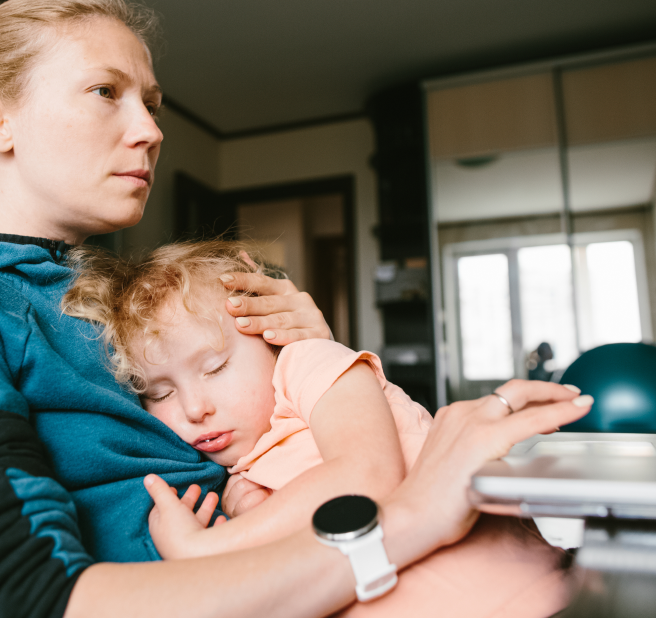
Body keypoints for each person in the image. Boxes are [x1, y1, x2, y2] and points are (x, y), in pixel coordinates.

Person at [0, 0, 593, 618]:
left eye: (151, 103)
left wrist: (311, 363)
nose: (149, 129)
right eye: (106, 92)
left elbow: (297, 447)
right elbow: (20, 601)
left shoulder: (134, 303)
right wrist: (411, 517)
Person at [61, 240, 574, 617]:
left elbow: (365, 478)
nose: (194, 408)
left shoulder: (310, 365)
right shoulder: (241, 480)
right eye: (160, 393)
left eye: (215, 367)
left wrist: (204, 550)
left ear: (271, 336)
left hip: (513, 595)